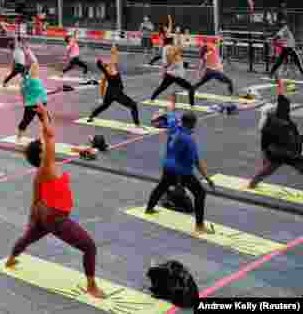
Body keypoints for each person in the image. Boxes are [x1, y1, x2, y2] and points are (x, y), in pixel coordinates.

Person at [6, 104, 105, 299]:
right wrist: (43, 116)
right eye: (44, 148)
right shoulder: (47, 167)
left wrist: (33, 219)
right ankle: (91, 286)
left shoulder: (40, 173)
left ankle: (10, 259)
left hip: (43, 215)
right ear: (41, 155)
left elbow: (35, 198)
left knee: (27, 238)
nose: (48, 147)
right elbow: (49, 136)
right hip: (56, 219)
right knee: (89, 247)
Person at [144, 92, 216, 235]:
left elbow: (170, 111)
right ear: (192, 124)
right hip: (181, 172)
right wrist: (208, 178)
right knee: (200, 194)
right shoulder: (189, 141)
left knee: (162, 186)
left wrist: (172, 100)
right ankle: (199, 226)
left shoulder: (173, 125)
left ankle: (149, 208)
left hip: (167, 166)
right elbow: (196, 161)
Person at [249, 79, 303, 187]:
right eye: (273, 108)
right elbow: (265, 146)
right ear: (271, 114)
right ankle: (252, 184)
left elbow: (281, 96)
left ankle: (253, 183)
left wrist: (280, 83)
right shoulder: (269, 126)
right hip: (281, 154)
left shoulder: (280, 114)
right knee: (267, 170)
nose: (275, 107)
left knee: (267, 170)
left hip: (289, 152)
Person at [87, 57, 140, 126]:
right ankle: (137, 123)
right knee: (133, 105)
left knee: (104, 105)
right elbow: (107, 63)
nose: (111, 64)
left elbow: (101, 65)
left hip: (109, 92)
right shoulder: (111, 70)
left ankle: (92, 116)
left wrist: (100, 62)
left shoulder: (107, 71)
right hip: (117, 94)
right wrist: (103, 62)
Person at [7, 62, 47, 143]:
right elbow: (41, 92)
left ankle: (19, 137)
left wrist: (25, 102)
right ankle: (44, 138)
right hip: (39, 104)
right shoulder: (36, 80)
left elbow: (23, 93)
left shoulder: (24, 82)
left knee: (26, 120)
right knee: (45, 121)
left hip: (31, 104)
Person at [150, 41, 197, 106]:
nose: (182, 50)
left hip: (171, 76)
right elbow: (176, 63)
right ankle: (192, 105)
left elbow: (183, 64)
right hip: (175, 76)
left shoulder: (177, 57)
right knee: (191, 88)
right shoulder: (174, 56)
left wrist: (193, 66)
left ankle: (152, 98)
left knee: (162, 87)